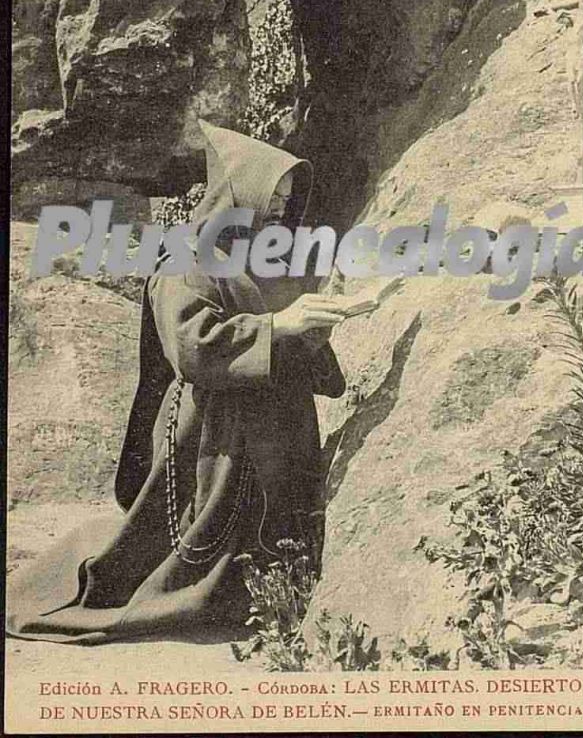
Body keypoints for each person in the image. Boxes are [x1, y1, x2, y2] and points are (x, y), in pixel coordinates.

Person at [7, 122, 346, 645]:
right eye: (271, 193)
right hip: (214, 430)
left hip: (277, 424)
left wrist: (317, 327)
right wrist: (281, 326)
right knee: (199, 555)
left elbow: (290, 340)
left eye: (287, 196)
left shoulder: (269, 261)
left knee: (276, 535)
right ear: (239, 193)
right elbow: (191, 345)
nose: (280, 206)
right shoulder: (183, 257)